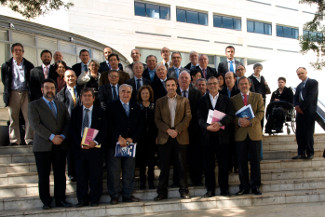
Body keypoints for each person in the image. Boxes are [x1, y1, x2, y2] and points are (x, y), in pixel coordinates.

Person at [28, 79, 72, 209]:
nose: (50, 90)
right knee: (44, 175)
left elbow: (67, 122)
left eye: (52, 88)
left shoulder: (61, 105)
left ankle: (60, 199)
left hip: (60, 145)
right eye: (47, 88)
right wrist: (52, 137)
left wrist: (63, 136)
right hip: (43, 146)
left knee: (60, 175)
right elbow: (36, 125)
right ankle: (46, 201)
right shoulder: (34, 105)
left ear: (55, 89)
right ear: (42, 89)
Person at [154, 77, 192, 201]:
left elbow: (188, 117)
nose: (170, 87)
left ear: (176, 86)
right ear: (166, 87)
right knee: (164, 167)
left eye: (173, 85)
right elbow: (157, 120)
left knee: (181, 166)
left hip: (180, 136)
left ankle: (184, 191)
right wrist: (168, 130)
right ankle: (161, 192)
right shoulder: (160, 102)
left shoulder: (184, 100)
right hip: (165, 137)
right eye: (168, 85)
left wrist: (177, 130)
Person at [106, 84, 143, 204]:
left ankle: (127, 195)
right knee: (114, 171)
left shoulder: (136, 107)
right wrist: (118, 137)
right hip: (114, 144)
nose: (125, 94)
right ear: (118, 92)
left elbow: (140, 126)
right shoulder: (111, 106)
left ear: (131, 94)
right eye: (123, 91)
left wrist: (133, 138)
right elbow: (109, 125)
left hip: (130, 145)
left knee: (129, 171)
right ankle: (114, 196)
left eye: (128, 92)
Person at [197, 76, 234, 197]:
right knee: (208, 166)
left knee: (223, 165)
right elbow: (199, 118)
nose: (212, 86)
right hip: (207, 137)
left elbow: (230, 116)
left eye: (215, 83)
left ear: (219, 85)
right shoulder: (201, 100)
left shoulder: (226, 99)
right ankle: (210, 190)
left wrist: (220, 123)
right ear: (207, 86)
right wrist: (207, 127)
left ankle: (224, 189)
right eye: (210, 84)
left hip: (222, 137)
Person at [70, 88, 106, 207]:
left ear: (93, 98)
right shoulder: (75, 112)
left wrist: (95, 142)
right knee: (81, 176)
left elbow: (104, 130)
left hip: (95, 149)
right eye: (84, 95)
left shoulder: (100, 111)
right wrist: (79, 143)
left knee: (95, 175)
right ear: (81, 98)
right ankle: (82, 200)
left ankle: (94, 200)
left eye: (89, 95)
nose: (87, 98)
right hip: (79, 150)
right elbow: (72, 130)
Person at [231, 76, 264, 196]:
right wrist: (239, 121)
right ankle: (244, 187)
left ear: (249, 84)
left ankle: (255, 186)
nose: (244, 86)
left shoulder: (258, 96)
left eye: (246, 84)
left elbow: (261, 113)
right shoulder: (233, 99)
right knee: (241, 163)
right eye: (241, 84)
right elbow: (231, 116)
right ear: (238, 86)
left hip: (254, 133)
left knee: (255, 162)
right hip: (240, 135)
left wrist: (250, 122)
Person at [1, 43, 34, 146]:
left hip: (26, 93)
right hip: (13, 93)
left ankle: (29, 139)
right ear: (12, 52)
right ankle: (14, 140)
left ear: (23, 52)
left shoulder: (29, 65)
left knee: (28, 117)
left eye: (20, 50)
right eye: (16, 50)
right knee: (13, 117)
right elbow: (5, 80)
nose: (18, 52)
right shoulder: (6, 65)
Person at [177, 71, 202, 186]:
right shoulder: (173, 93)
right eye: (181, 78)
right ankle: (180, 182)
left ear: (190, 80)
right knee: (179, 159)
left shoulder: (197, 93)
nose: (184, 80)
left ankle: (196, 180)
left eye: (186, 78)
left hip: (194, 131)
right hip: (178, 132)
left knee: (195, 157)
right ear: (178, 80)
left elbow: (199, 113)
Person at [56, 70, 82, 182]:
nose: (70, 78)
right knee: (70, 152)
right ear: (64, 79)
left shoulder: (83, 91)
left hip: (82, 124)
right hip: (68, 126)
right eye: (68, 77)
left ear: (76, 77)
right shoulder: (60, 94)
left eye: (72, 76)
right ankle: (72, 174)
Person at [292, 67, 318, 160]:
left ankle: (310, 152)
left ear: (306, 72)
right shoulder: (299, 86)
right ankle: (301, 152)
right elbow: (295, 97)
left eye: (302, 73)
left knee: (308, 133)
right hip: (300, 113)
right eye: (298, 74)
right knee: (299, 133)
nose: (300, 75)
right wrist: (296, 106)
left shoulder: (313, 83)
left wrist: (301, 107)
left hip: (309, 112)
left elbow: (311, 97)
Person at [136, 85, 157, 189]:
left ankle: (151, 181)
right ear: (140, 95)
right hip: (140, 138)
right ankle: (142, 181)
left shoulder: (154, 106)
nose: (145, 95)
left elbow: (157, 122)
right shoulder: (136, 106)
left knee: (151, 161)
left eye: (147, 93)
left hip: (152, 137)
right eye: (143, 93)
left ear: (150, 94)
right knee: (142, 161)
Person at [220, 72, 240, 173]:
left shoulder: (239, 91)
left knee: (236, 147)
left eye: (230, 78)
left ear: (234, 79)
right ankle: (228, 167)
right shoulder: (221, 92)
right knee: (226, 147)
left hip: (237, 123)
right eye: (226, 78)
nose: (228, 80)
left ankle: (237, 166)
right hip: (225, 123)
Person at [248, 63, 270, 130]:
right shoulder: (250, 78)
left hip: (263, 98)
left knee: (261, 114)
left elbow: (265, 88)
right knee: (255, 114)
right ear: (254, 69)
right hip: (254, 99)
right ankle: (255, 129)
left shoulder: (262, 77)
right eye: (257, 68)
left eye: (260, 68)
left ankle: (261, 130)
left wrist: (266, 85)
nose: (258, 69)